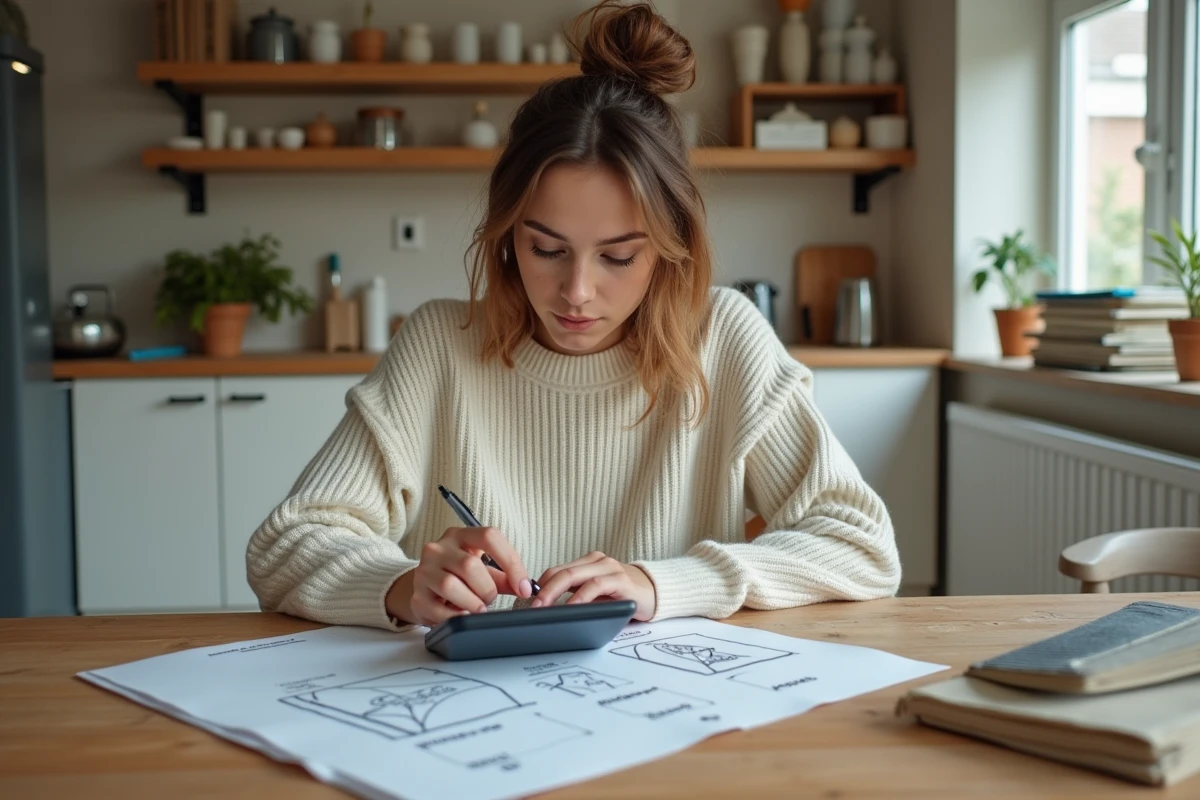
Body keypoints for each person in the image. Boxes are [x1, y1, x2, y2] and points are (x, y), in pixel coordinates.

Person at [246, 0, 901, 631]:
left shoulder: (724, 338)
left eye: (618, 256)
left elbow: (862, 546)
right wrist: (400, 585)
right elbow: (285, 545)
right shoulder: (440, 344)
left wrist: (661, 584)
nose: (577, 291)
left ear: (669, 247)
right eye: (547, 249)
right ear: (507, 232)